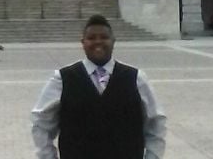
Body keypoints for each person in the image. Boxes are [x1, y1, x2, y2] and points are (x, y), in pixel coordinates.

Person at [31, 15, 167, 159]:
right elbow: (41, 122)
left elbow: (156, 122)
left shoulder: (136, 78)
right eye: (91, 38)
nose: (98, 42)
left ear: (113, 41)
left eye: (104, 37)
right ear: (83, 42)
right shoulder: (62, 79)